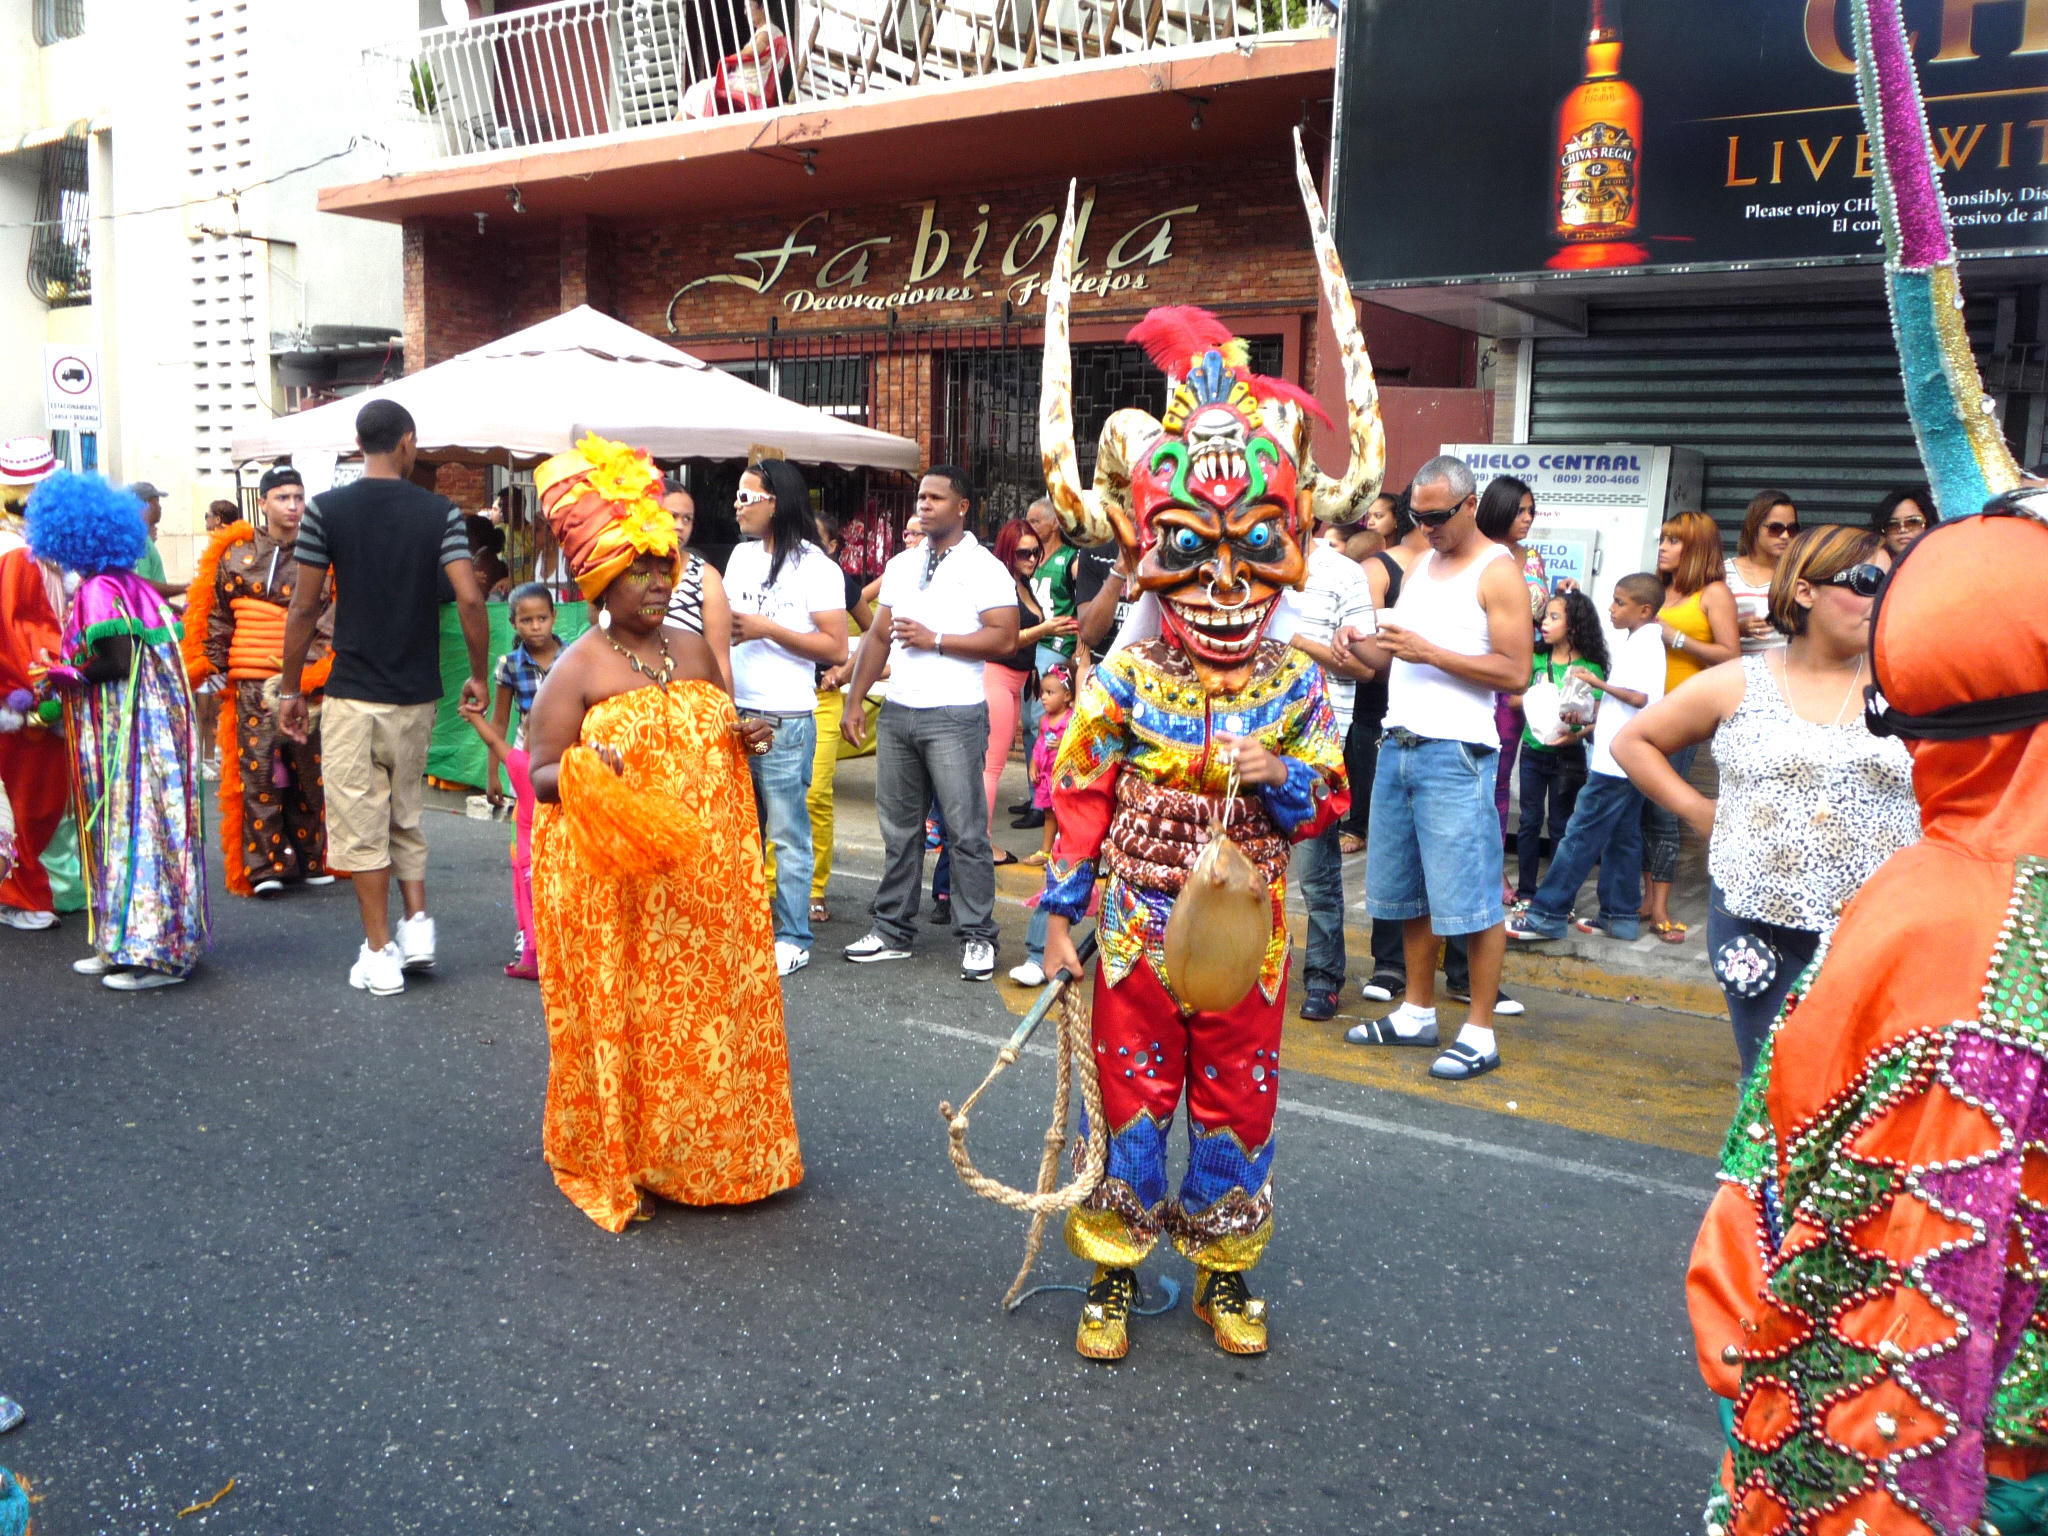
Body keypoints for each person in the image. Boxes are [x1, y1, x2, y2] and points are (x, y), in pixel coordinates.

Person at [1033, 207, 1373, 1358]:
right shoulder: (1124, 678)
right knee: (1127, 1103)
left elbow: (1329, 798)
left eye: (1254, 554)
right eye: (1187, 552)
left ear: (1292, 552)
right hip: (1131, 923)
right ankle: (1115, 1275)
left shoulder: (1293, 679)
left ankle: (1226, 1269)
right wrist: (1059, 924)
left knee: (1236, 1103)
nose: (1224, 585)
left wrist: (1282, 773)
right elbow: (1076, 796)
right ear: (1142, 555)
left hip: (1248, 929)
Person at [520, 432, 800, 1233]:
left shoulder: (691, 648)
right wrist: (586, 772)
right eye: (634, 571)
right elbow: (541, 776)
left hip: (707, 872)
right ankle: (642, 1155)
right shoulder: (576, 669)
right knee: (642, 1019)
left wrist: (738, 733)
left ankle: (716, 1156)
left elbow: (708, 729)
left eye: (660, 568)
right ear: (601, 580)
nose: (652, 583)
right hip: (625, 886)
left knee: (711, 1014)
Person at [1613, 527, 1917, 1079]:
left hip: (1881, 934)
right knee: (1779, 1089)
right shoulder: (1738, 683)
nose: (1885, 594)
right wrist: (1701, 811)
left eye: (1893, 579)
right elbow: (1632, 742)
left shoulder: (1911, 686)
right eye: (1870, 580)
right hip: (1759, 927)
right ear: (1805, 591)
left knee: (1875, 1096)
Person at [276, 399, 491, 997]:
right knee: (405, 811)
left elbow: (304, 605)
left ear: (359, 442)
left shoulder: (325, 511)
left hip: (354, 694)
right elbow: (471, 600)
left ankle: (380, 953)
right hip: (417, 695)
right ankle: (417, 925)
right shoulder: (440, 513)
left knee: (360, 821)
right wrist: (478, 673)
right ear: (407, 443)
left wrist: (291, 687)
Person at [1335, 454, 1534, 1082]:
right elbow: (1398, 663)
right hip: (1401, 742)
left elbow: (1515, 672)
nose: (1429, 528)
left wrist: (1430, 651)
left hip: (1458, 752)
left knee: (1472, 901)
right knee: (1410, 893)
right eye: (1419, 517)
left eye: (1440, 517)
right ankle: (1417, 1011)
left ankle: (1480, 1030)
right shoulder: (1421, 565)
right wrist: (1357, 645)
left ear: (1471, 506)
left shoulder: (1498, 573)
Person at [28, 472, 211, 989]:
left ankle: (154, 955)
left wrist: (64, 675)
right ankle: (119, 943)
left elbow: (116, 660)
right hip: (143, 730)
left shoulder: (97, 590)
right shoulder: (125, 583)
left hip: (128, 734)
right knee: (127, 832)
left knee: (136, 829)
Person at [840, 467, 1019, 981]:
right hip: (899, 712)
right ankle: (892, 929)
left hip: (955, 715)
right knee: (899, 830)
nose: (924, 504)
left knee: (965, 832)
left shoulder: (985, 567)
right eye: (921, 496)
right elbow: (877, 638)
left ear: (963, 506)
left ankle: (979, 936)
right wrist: (855, 701)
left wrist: (937, 639)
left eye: (936, 497)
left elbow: (1006, 638)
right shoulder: (902, 563)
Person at [183, 465, 338, 898]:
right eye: (283, 497)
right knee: (259, 775)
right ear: (264, 502)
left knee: (309, 770)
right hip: (250, 683)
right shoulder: (234, 554)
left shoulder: (322, 555)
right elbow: (217, 615)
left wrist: (306, 672)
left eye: (299, 497)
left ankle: (309, 857)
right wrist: (211, 667)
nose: (293, 506)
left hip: (303, 682)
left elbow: (328, 620)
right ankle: (265, 865)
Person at [725, 458, 848, 977]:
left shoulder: (817, 566)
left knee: (787, 833)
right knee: (738, 830)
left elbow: (836, 645)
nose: (737, 505)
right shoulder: (738, 556)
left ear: (777, 502)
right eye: (737, 494)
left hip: (783, 720)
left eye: (747, 497)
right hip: (733, 712)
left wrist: (765, 628)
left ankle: (793, 935)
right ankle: (744, 928)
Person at [1504, 574, 1666, 946]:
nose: (1611, 608)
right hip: (1626, 758)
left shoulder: (1646, 645)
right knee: (1623, 838)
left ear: (1644, 609)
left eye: (1620, 603)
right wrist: (1592, 713)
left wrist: (1597, 685)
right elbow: (1628, 703)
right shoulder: (1639, 641)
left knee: (1578, 836)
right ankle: (1620, 916)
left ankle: (1547, 915)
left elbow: (1640, 698)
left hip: (1618, 763)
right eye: (1612, 600)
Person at [1287, 519, 1377, 1022]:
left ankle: (1322, 977)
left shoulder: (1342, 574)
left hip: (1317, 739)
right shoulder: (1244, 565)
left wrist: (1293, 638)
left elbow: (1366, 668)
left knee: (1316, 872)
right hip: (1246, 732)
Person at [1643, 510, 1740, 943]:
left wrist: (1676, 638)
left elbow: (1731, 657)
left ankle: (1660, 907)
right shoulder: (1656, 589)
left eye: (1673, 540)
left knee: (1665, 807)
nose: (1662, 546)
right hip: (1640, 710)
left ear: (1696, 547)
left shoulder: (1713, 593)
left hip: (1682, 716)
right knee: (1641, 809)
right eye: (1662, 538)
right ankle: (1645, 899)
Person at [0, 437, 67, 933]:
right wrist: (43, 690)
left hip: (32, 690)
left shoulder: (31, 549)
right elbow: (20, 630)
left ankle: (38, 893)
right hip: (25, 693)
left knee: (40, 799)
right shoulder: (16, 553)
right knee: (29, 800)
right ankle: (24, 896)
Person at [482, 581, 562, 979]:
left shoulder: (572, 655)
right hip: (525, 755)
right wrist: (492, 773)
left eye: (542, 618)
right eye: (526, 620)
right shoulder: (509, 665)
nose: (536, 627)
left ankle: (558, 922)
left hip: (566, 749)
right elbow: (498, 721)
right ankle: (527, 930)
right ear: (513, 622)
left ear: (555, 617)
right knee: (527, 844)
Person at [1513, 590, 1608, 906]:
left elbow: (1597, 717)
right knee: (1529, 821)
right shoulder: (1536, 659)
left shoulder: (1591, 668)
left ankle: (1556, 899)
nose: (1544, 623)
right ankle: (1526, 891)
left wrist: (1577, 730)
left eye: (1554, 617)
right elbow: (1514, 698)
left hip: (1568, 756)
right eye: (1545, 616)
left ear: (1575, 626)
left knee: (1560, 825)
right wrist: (1540, 700)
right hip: (1532, 751)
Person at [805, 508, 873, 925]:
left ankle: (814, 888)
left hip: (823, 701)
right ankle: (772, 884)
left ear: (832, 547)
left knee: (814, 793)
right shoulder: (773, 571)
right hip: (776, 701)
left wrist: (844, 672)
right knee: (774, 796)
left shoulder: (837, 582)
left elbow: (874, 632)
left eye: (816, 539)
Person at [987, 517, 1071, 851]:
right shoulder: (1001, 584)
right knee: (992, 766)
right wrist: (1047, 629)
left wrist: (1033, 673)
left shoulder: (1023, 584)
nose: (1032, 559)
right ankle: (984, 844)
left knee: (991, 764)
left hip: (1017, 680)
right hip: (996, 678)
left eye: (1036, 552)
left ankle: (978, 841)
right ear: (1008, 552)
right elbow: (1005, 639)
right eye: (1023, 553)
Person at [1474, 475, 1546, 852]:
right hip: (1478, 671)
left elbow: (1539, 614)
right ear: (1499, 509)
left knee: (1501, 775)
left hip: (1518, 677)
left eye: (1531, 511)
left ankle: (1493, 862)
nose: (1528, 518)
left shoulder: (1531, 558)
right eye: (1520, 510)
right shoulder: (1476, 553)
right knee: (1474, 774)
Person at [1004, 662, 1077, 988]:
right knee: (1059, 873)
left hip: (1080, 793)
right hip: (1062, 789)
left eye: (1051, 692)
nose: (1045, 698)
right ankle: (1038, 955)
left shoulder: (1074, 719)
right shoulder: (1050, 720)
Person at [1016, 495, 1080, 794]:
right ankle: (1034, 796)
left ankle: (1047, 797)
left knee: (1044, 719)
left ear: (1055, 523)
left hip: (1055, 645)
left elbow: (1084, 602)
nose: (1029, 525)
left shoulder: (1070, 559)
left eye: (1035, 520)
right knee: (1029, 720)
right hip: (1030, 645)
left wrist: (1081, 644)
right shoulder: (1029, 558)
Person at [660, 483, 733, 691]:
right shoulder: (623, 568)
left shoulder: (705, 577)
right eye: (671, 516)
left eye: (687, 519)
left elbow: (720, 662)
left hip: (689, 699)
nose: (680, 526)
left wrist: (726, 717)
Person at [680, 0, 787, 117]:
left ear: (762, 7)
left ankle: (677, 128)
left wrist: (734, 58)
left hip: (748, 84)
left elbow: (755, 51)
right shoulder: (774, 33)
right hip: (755, 83)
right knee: (700, 87)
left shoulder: (767, 31)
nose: (746, 12)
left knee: (698, 89)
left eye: (749, 7)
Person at [1725, 490, 1797, 654]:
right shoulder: (1724, 573)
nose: (1785, 536)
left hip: (1783, 672)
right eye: (1775, 528)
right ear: (1754, 527)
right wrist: (1738, 629)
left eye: (1792, 529)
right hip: (1735, 673)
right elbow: (1702, 630)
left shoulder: (1797, 575)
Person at [124, 481, 187, 601]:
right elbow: (141, 586)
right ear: (146, 504)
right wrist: (184, 588)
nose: (160, 507)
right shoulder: (138, 540)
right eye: (157, 501)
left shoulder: (142, 538)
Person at [1871, 483, 1938, 559]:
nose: (1903, 530)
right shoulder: (1875, 567)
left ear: (1929, 524)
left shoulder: (1945, 564)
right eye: (1893, 525)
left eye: (1913, 522)